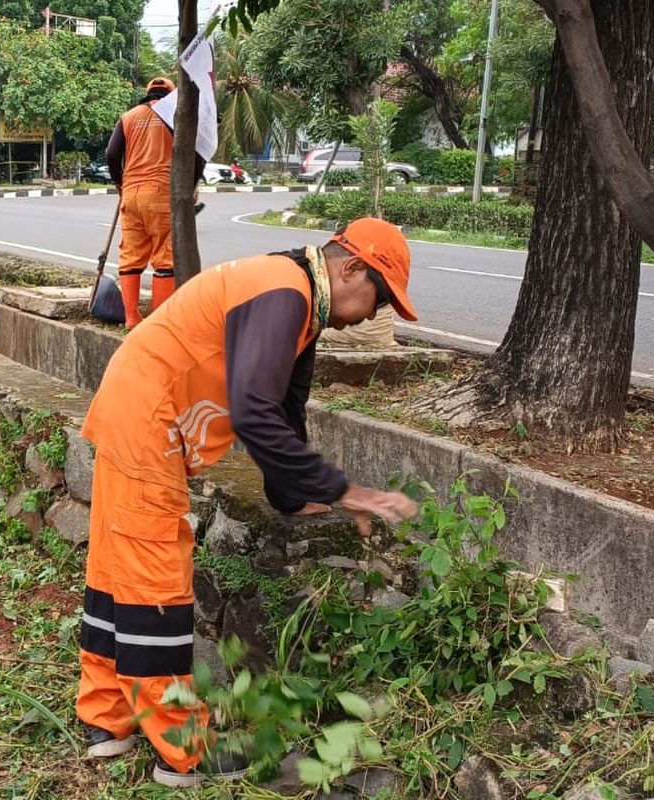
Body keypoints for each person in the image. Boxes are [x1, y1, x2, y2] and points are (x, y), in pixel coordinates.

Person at [75, 217, 422, 788]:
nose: (375, 315)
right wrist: (344, 490)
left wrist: (296, 494)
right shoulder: (285, 291)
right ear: (352, 268)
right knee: (153, 574)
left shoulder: (297, 301)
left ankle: (107, 717)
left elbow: (286, 409)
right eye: (379, 300)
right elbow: (254, 410)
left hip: (135, 403)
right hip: (148, 418)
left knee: (117, 568)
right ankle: (182, 749)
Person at [105, 77, 204, 329]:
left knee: (130, 255)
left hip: (131, 193)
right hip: (161, 192)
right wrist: (190, 185)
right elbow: (198, 154)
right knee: (165, 257)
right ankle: (158, 324)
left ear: (148, 94)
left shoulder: (128, 117)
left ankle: (131, 317)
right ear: (170, 96)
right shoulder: (175, 116)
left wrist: (120, 183)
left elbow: (112, 153)